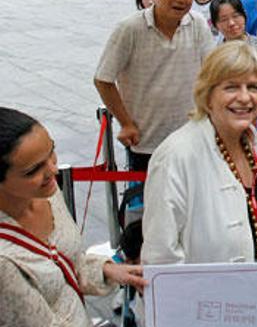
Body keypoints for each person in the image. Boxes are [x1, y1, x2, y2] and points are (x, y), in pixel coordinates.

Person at [0, 107, 147, 326]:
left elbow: (66, 261)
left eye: (51, 152)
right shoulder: (4, 264)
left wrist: (108, 270)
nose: (53, 170)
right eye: (33, 170)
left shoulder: (46, 193)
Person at [142, 42, 257, 265]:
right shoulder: (176, 155)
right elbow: (160, 255)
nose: (245, 98)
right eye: (231, 87)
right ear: (207, 96)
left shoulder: (251, 139)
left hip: (256, 290)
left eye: (253, 87)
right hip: (201, 296)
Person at [94, 0, 214, 171]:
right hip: (146, 141)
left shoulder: (197, 25)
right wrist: (126, 123)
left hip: (191, 138)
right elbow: (103, 79)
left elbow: (212, 72)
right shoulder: (130, 28)